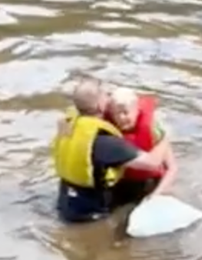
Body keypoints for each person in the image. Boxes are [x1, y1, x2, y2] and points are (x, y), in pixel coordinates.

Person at [52, 77, 169, 223]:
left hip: (64, 206)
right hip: (90, 216)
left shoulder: (67, 125)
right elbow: (153, 163)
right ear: (101, 105)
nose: (109, 97)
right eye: (106, 95)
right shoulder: (105, 142)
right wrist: (164, 138)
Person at [103, 85, 178, 200]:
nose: (121, 118)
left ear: (137, 110)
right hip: (122, 184)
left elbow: (172, 168)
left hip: (149, 184)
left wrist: (156, 195)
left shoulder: (154, 130)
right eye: (116, 113)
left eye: (125, 112)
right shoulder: (107, 130)